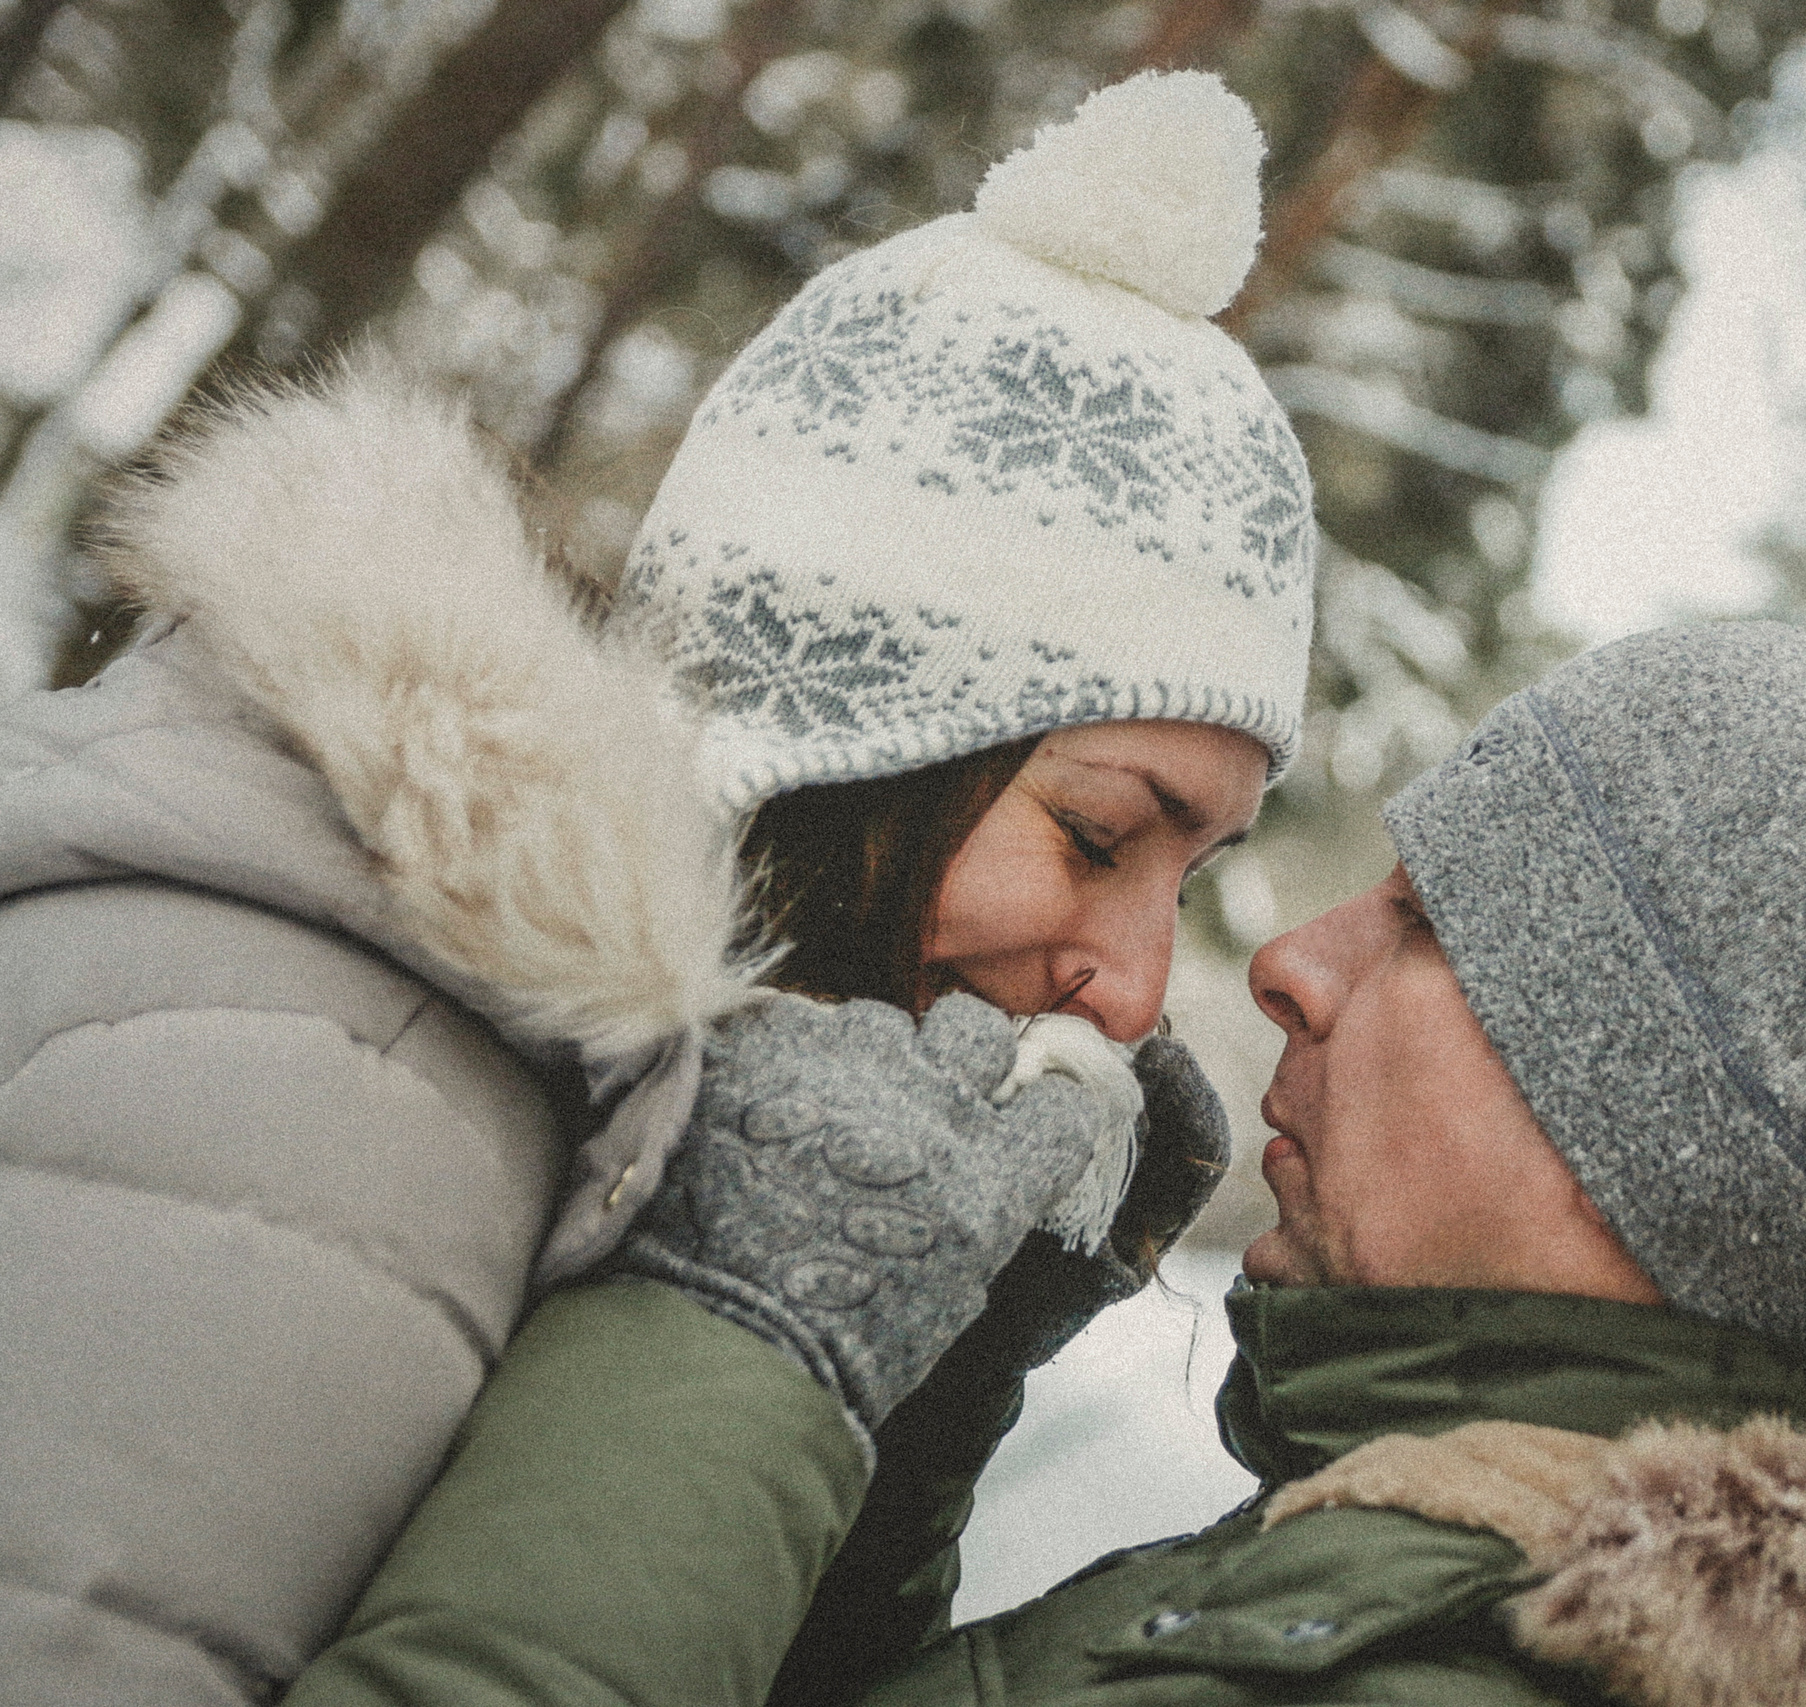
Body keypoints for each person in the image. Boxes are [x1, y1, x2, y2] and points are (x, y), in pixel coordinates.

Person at [281, 623, 1806, 1707]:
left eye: (1431, 921)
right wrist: (908, 1413)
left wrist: (743, 1331)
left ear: (1629, 1116)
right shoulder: (1428, 1582)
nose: (1282, 956)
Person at [0, 69, 1312, 1707]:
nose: (1132, 983)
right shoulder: (314, 1074)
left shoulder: (589, 1104)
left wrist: (910, 1380)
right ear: (845, 733)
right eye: (1101, 838)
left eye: (1192, 877)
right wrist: (749, 1345)